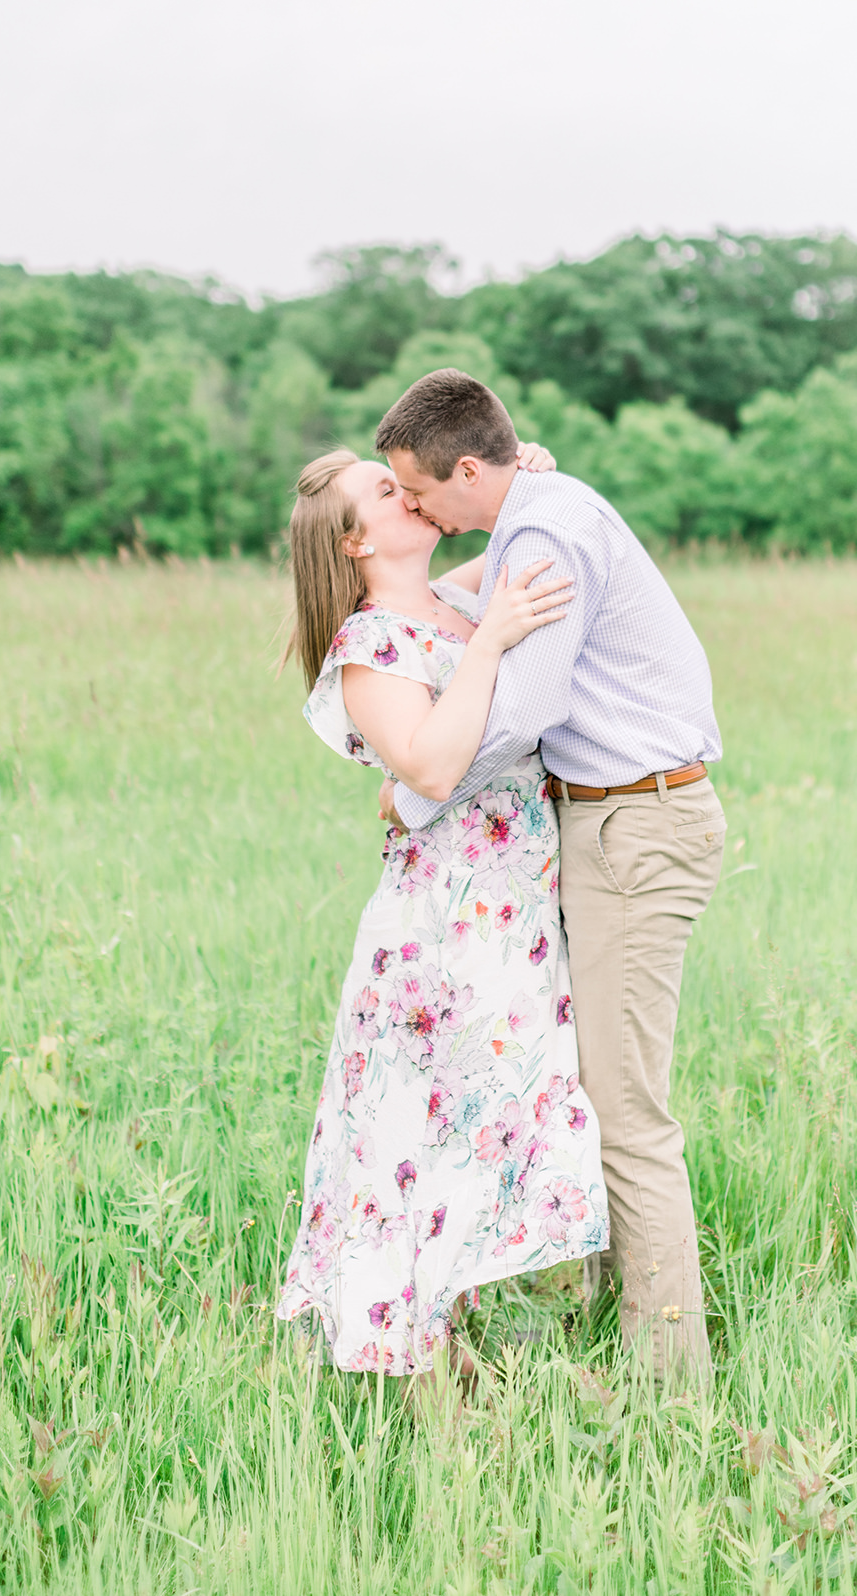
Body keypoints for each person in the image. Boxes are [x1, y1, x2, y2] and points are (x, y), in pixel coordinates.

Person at [374, 369, 726, 1383]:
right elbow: (442, 607)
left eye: (420, 492)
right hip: (612, 823)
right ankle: (606, 1332)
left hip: (635, 825)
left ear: (470, 469)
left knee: (626, 1115)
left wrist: (416, 795)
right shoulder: (534, 516)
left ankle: (670, 1389)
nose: (415, 510)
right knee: (591, 1098)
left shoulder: (545, 535)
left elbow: (520, 712)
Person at [276, 444, 609, 1378]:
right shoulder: (369, 646)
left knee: (495, 1123)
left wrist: (522, 473)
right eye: (386, 492)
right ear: (353, 541)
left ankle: (461, 1351)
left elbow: (504, 535)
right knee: (423, 1143)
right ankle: (423, 1383)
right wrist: (494, 642)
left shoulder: (453, 605)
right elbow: (426, 766)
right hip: (439, 936)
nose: (407, 494)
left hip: (511, 919)